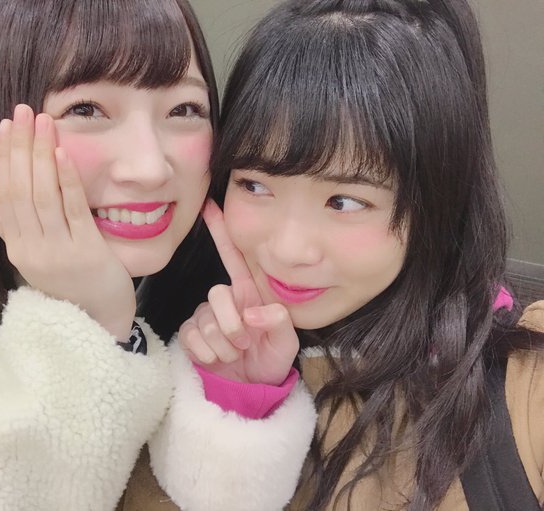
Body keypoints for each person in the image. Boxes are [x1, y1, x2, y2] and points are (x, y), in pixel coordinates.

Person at [132, 0, 544, 510]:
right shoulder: (177, 342)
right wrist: (236, 404)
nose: (288, 250)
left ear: (438, 201)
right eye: (255, 185)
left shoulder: (524, 383)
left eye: (344, 201)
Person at [0, 0, 220, 509]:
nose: (149, 168)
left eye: (184, 109)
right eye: (86, 109)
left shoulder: (232, 266)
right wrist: (96, 324)